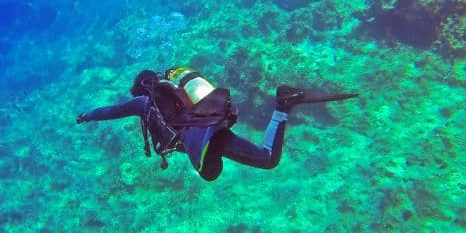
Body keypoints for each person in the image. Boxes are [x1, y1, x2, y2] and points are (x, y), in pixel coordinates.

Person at [76, 66, 358, 181]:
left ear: (141, 88)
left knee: (267, 159)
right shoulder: (174, 95)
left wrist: (87, 115)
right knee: (264, 159)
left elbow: (111, 111)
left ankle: (283, 104)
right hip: (210, 125)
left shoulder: (142, 103)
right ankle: (283, 104)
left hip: (203, 136)